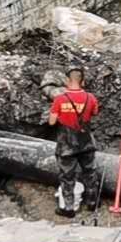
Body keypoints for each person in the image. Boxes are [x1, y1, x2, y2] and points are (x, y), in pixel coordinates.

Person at [47, 68, 102, 216]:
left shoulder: (59, 99)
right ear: (82, 81)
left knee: (67, 176)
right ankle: (92, 203)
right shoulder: (90, 98)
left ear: (67, 81)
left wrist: (62, 116)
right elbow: (94, 113)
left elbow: (51, 122)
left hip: (66, 145)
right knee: (90, 172)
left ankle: (69, 208)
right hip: (86, 143)